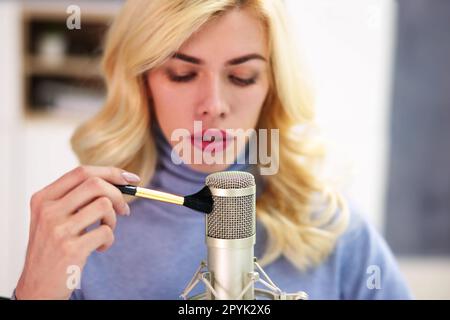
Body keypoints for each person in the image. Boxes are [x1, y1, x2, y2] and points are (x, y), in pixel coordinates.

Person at [14, 0, 412, 300]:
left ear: (271, 87)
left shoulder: (331, 230)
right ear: (142, 81)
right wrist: (34, 290)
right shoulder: (85, 233)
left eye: (242, 77)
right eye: (183, 73)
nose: (214, 103)